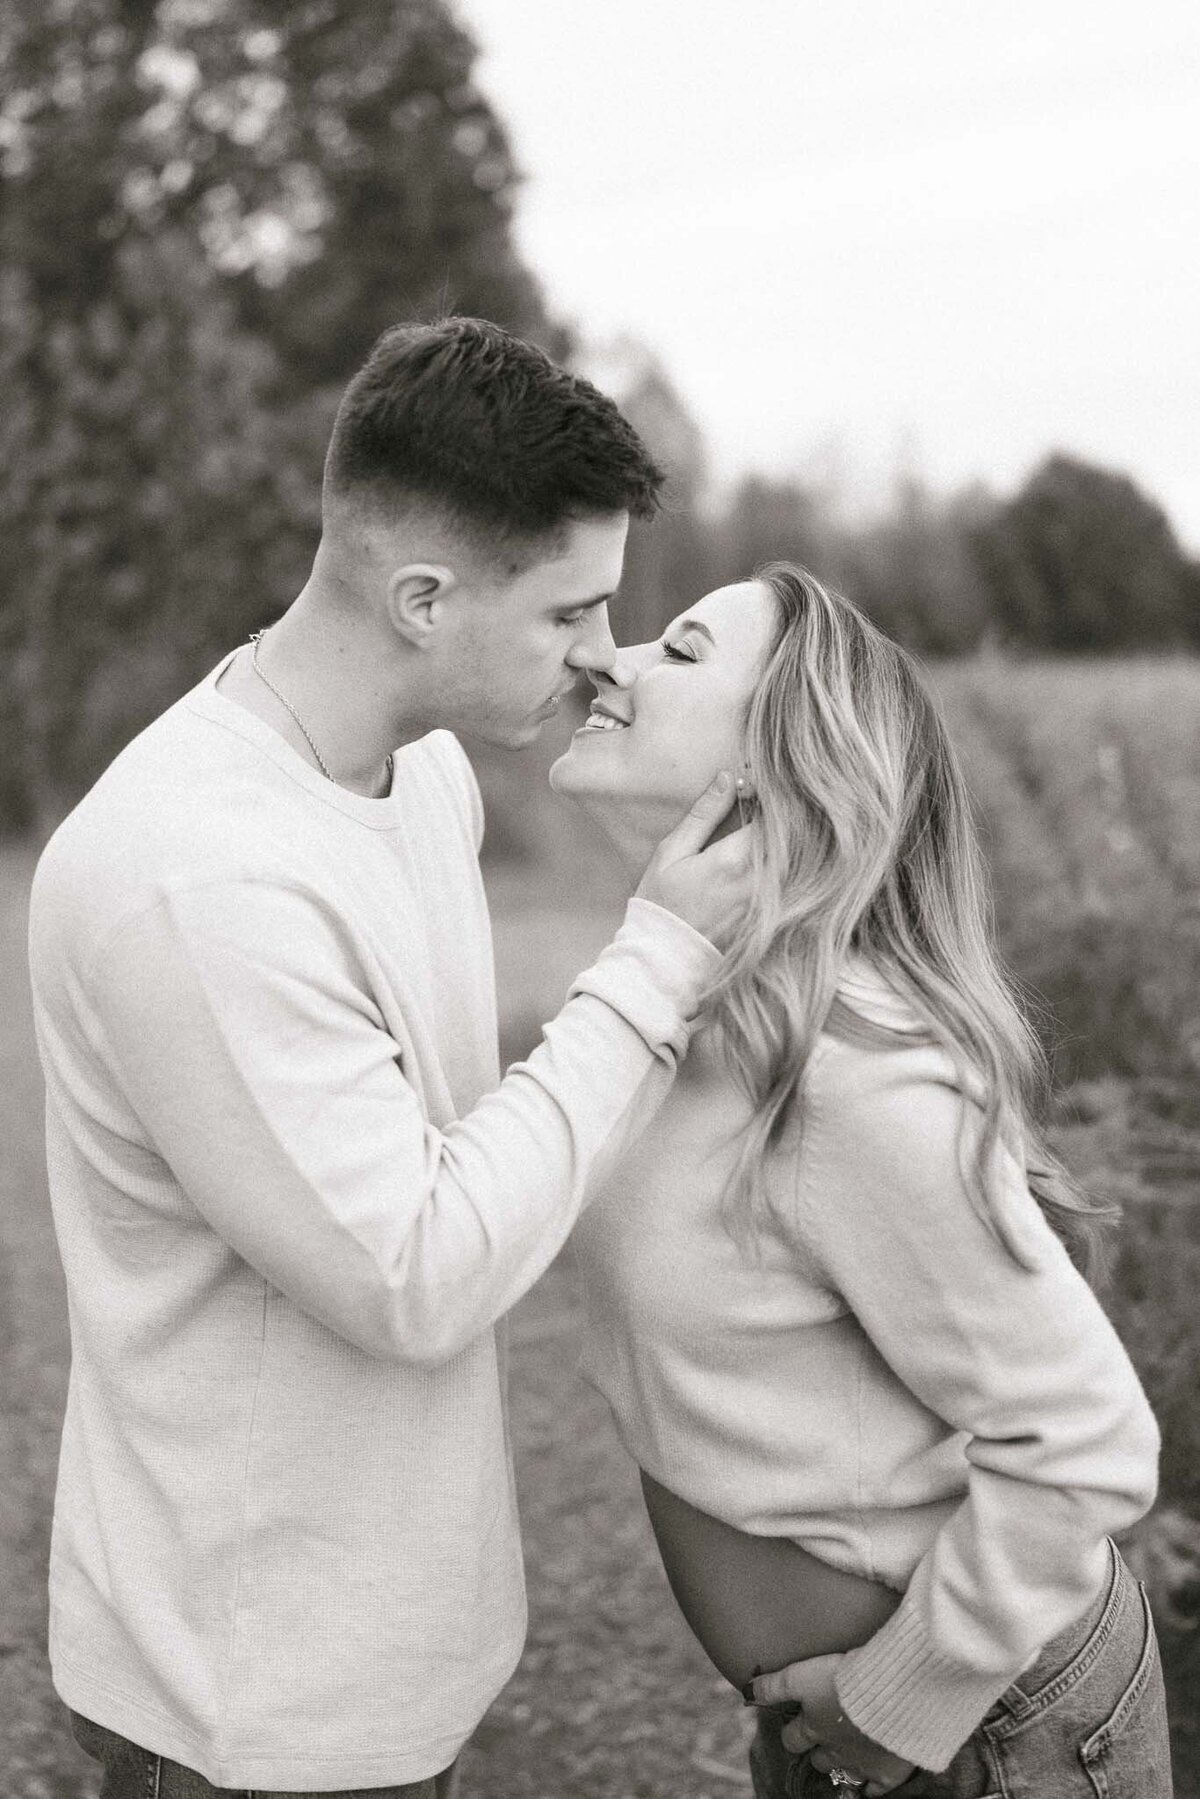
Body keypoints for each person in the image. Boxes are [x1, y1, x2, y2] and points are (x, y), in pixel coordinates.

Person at [27, 317, 750, 1798]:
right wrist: (659, 952)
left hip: (372, 1646)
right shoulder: (199, 876)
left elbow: (442, 1130)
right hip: (249, 1697)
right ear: (422, 597)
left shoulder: (421, 775)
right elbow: (415, 1270)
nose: (601, 656)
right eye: (569, 613)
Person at [552, 563, 1171, 1797]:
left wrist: (900, 1699)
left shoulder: (846, 1073)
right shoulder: (684, 1007)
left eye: (678, 651)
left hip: (993, 1725)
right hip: (854, 1727)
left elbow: (1088, 1437)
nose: (607, 660)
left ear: (784, 758)